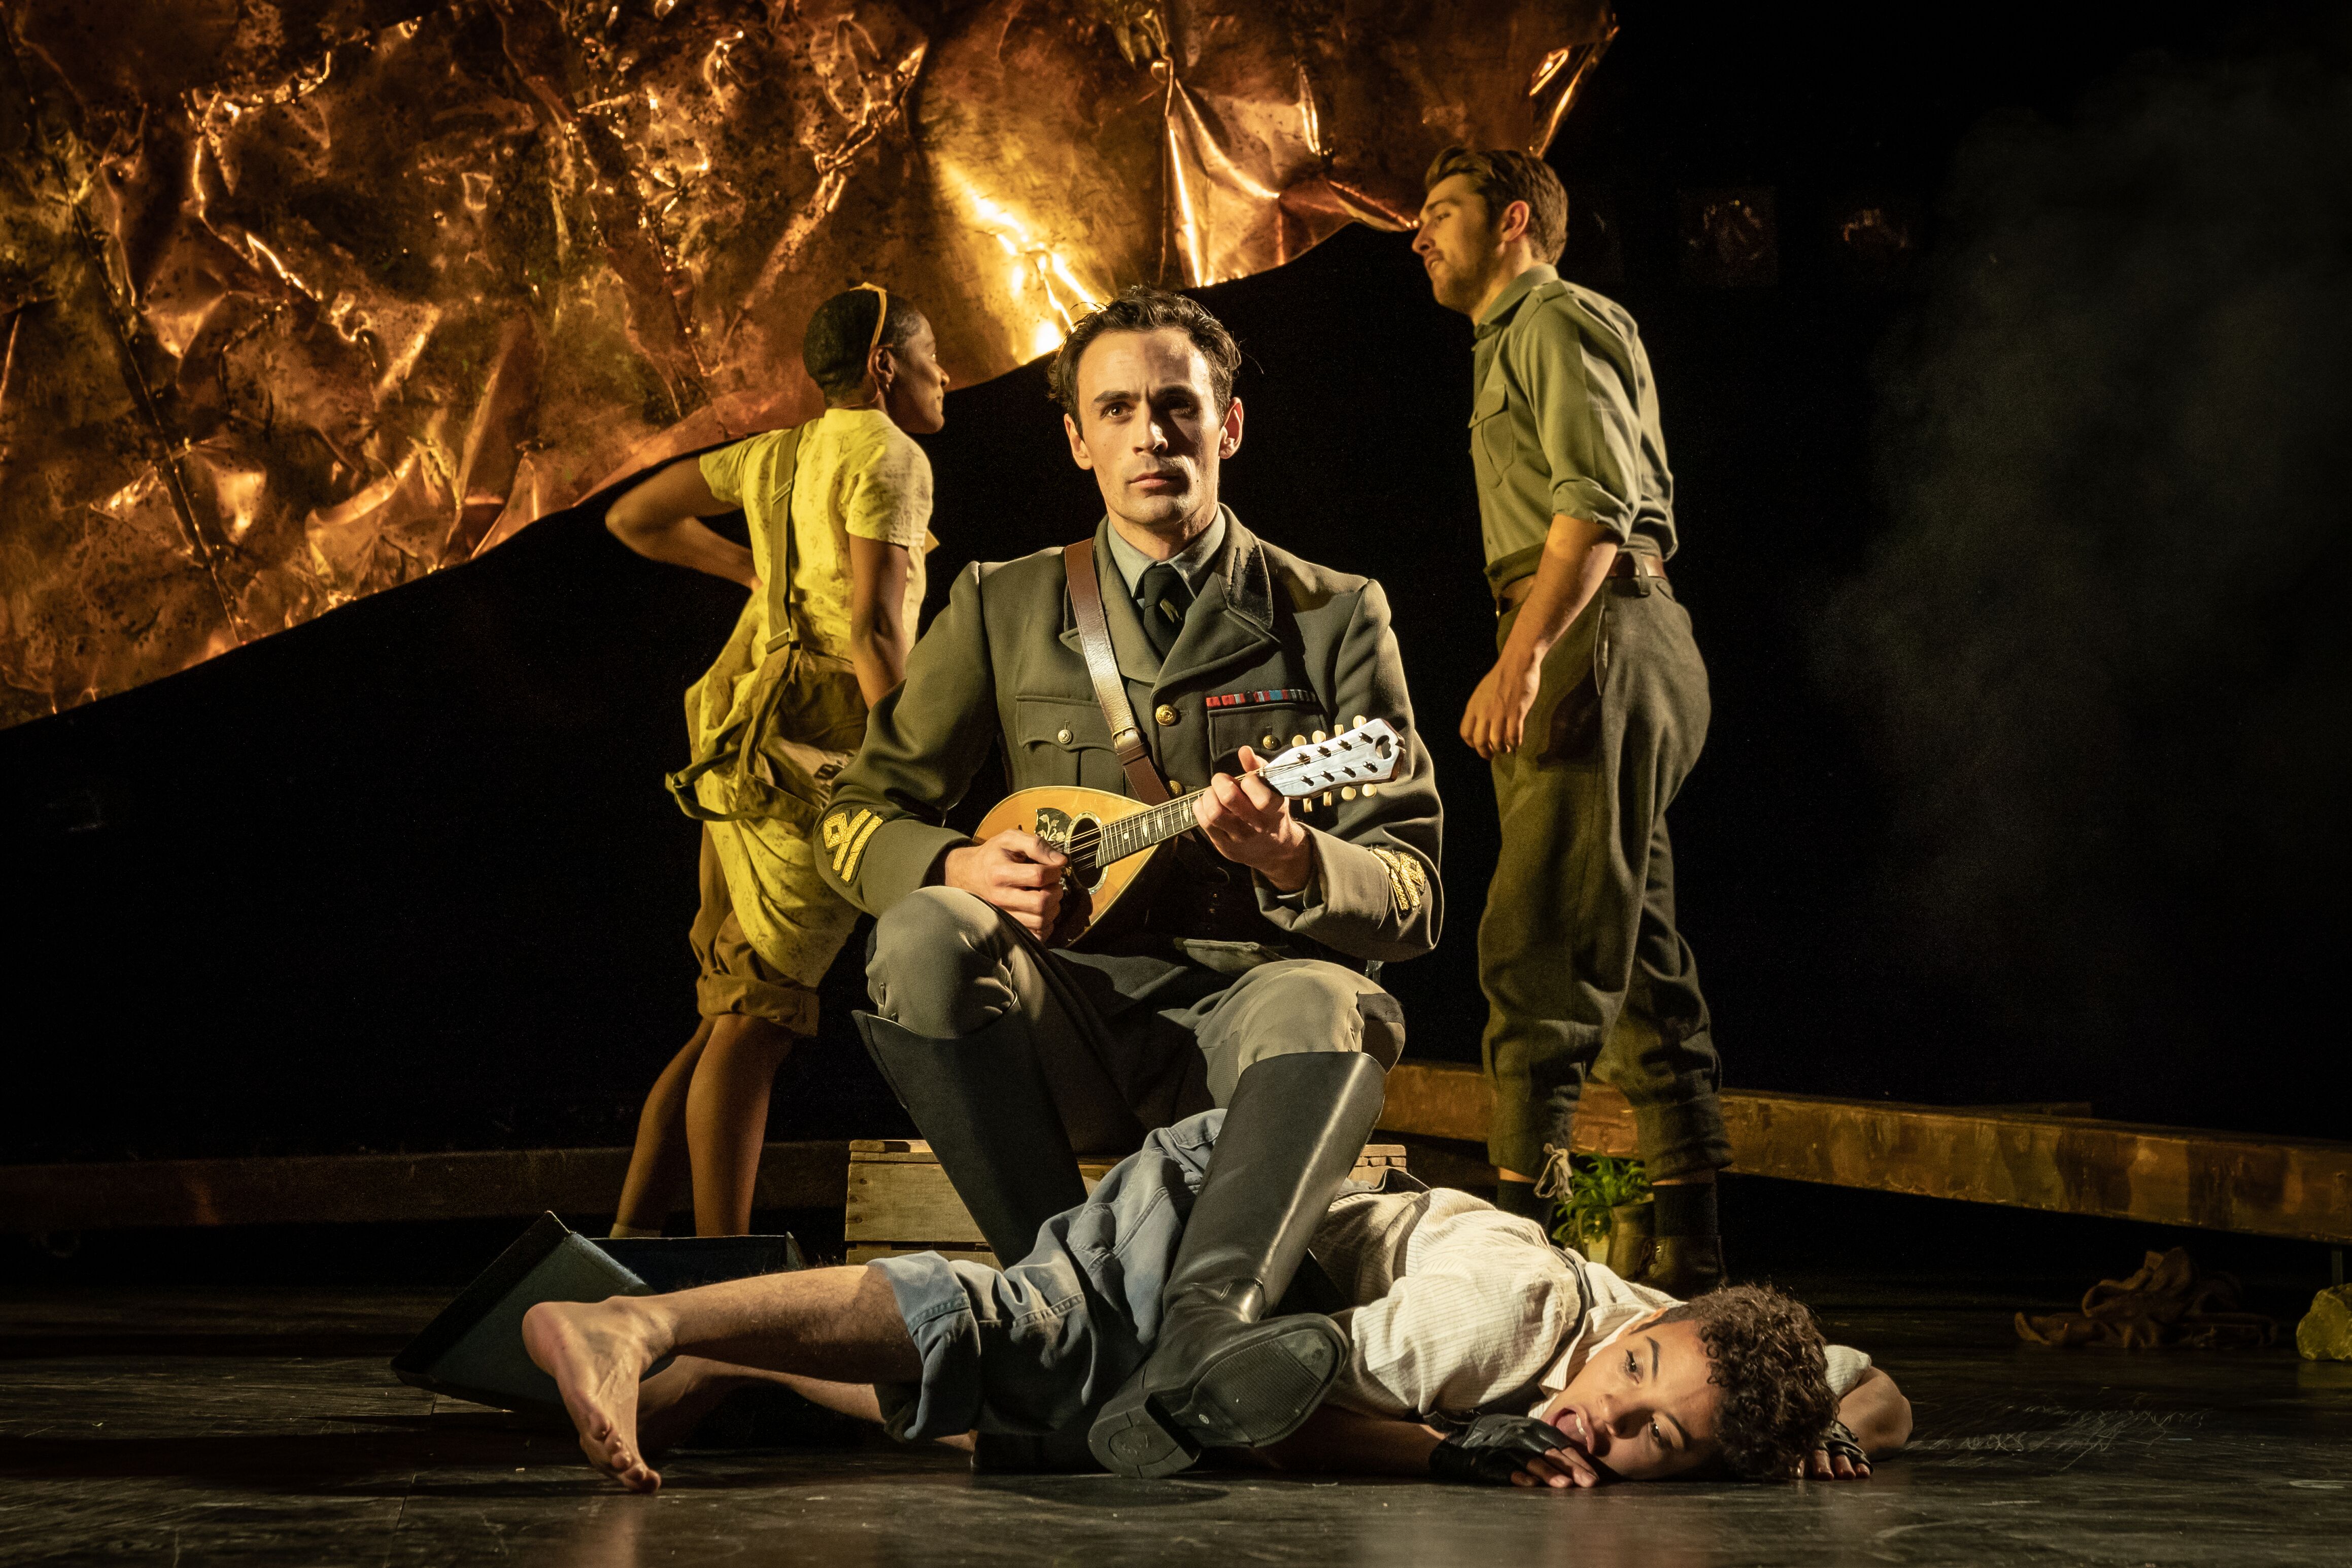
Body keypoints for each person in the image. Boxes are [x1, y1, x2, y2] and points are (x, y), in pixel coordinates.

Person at [810, 286, 1444, 1474]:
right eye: (1117, 410)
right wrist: (959, 862)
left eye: (1176, 406)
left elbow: (1410, 894)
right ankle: (1074, 1308)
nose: (1151, 434)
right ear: (1076, 440)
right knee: (924, 934)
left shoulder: (1334, 613)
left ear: (1229, 426)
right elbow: (855, 818)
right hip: (1069, 1031)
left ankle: (1204, 1332)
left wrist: (1298, 857)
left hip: (1246, 1041)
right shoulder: (1003, 603)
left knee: (1329, 999)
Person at [520, 1103, 1912, 1495]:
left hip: (1271, 1281)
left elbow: (1872, 1381)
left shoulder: (1712, 1342)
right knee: (1037, 1334)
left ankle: (725, 1378)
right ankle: (635, 1321)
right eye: (1630, 1385)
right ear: (1631, 1333)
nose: (1607, 1418)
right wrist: (1450, 1455)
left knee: (1047, 1428)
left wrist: (1830, 1432)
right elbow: (1257, 1415)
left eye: (1653, 1437)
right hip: (1228, 1218)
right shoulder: (1495, 1320)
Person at [1413, 148, 1728, 1294]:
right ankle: (1687, 1231)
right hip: (1608, 632)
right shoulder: (1513, 338)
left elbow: (1594, 504)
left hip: (1597, 630)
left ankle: (1515, 1255)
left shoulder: (1549, 321)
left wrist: (1523, 655)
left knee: (1538, 935)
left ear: (1511, 223)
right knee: (1633, 942)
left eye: (1439, 213)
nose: (1417, 236)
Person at [601, 284, 949, 1238]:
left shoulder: (784, 453)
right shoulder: (890, 454)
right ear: (884, 367)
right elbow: (876, 634)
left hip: (738, 738)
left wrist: (761, 576)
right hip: (812, 748)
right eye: (932, 357)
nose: (946, 375)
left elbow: (633, 518)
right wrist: (904, 772)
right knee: (757, 1019)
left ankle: (633, 1237)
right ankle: (726, 1271)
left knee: (730, 1010)